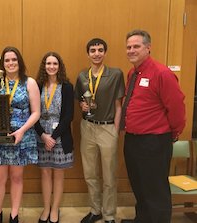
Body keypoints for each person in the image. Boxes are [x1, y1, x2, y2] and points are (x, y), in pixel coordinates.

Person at [121, 30, 185, 223]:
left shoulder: (162, 73)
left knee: (155, 188)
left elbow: (176, 107)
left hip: (154, 141)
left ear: (148, 48)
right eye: (129, 47)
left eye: (136, 46)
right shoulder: (133, 72)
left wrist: (174, 133)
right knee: (140, 185)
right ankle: (143, 219)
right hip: (133, 139)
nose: (131, 50)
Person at [0, 46, 41, 223]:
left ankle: (14, 216)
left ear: (19, 61)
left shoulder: (29, 83)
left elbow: (36, 112)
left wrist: (21, 131)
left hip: (20, 137)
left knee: (16, 177)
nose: (11, 63)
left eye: (14, 59)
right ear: (2, 63)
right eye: (7, 60)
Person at [74, 38, 125, 223]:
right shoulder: (82, 76)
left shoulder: (116, 74)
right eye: (93, 50)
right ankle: (95, 210)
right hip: (88, 128)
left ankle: (109, 214)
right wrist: (82, 105)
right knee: (90, 173)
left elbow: (119, 105)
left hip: (108, 127)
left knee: (109, 175)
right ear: (88, 53)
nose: (96, 53)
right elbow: (81, 101)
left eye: (100, 50)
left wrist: (116, 130)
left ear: (105, 52)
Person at [35, 52, 74, 223]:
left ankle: (55, 209)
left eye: (55, 64)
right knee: (44, 173)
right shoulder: (37, 86)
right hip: (41, 135)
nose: (51, 67)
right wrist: (44, 136)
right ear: (44, 66)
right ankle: (46, 208)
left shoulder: (66, 86)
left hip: (60, 136)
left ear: (59, 66)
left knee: (58, 174)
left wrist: (53, 136)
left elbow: (68, 115)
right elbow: (33, 114)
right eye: (48, 63)